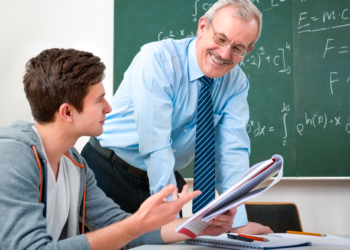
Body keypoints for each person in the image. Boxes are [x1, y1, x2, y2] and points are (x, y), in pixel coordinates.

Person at [0, 48, 237, 250]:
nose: (108, 107)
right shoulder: (13, 157)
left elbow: (116, 224)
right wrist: (136, 225)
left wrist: (199, 226)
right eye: (99, 100)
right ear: (67, 112)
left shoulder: (74, 163)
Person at [82, 0, 272, 234]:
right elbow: (157, 145)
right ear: (202, 27)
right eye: (221, 39)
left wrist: (238, 222)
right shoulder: (157, 60)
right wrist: (170, 214)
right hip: (108, 171)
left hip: (165, 177)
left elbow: (232, 152)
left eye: (237, 48)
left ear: (248, 50)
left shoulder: (236, 83)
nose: (224, 54)